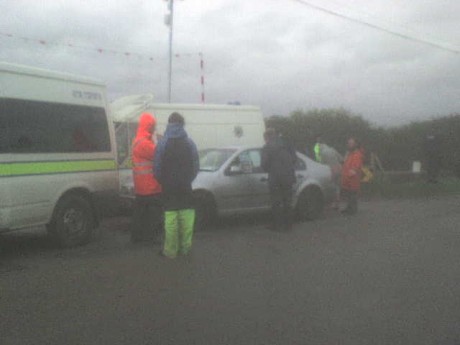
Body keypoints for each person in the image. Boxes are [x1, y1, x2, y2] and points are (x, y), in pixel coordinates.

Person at [153, 112, 199, 259]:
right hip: (186, 186)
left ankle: (171, 251)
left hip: (169, 187)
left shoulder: (162, 143)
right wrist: (188, 179)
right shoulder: (190, 143)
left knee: (171, 219)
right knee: (187, 218)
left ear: (169, 124)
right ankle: (186, 249)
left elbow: (157, 168)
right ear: (182, 124)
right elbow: (196, 166)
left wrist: (164, 181)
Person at [131, 112, 163, 243]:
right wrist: (160, 141)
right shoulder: (144, 143)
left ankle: (138, 237)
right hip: (150, 187)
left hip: (142, 187)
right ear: (148, 126)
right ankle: (150, 238)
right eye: (153, 126)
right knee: (153, 215)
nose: (154, 128)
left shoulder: (139, 140)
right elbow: (159, 154)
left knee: (141, 215)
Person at [261, 128, 297, 231]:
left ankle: (277, 225)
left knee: (276, 202)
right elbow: (294, 159)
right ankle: (288, 225)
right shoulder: (287, 145)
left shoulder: (267, 147)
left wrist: (270, 170)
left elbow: (264, 164)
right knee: (287, 201)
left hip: (275, 178)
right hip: (289, 176)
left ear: (266, 137)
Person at [341, 137, 364, 215]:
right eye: (348, 143)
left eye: (351, 143)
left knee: (352, 195)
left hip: (353, 179)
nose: (348, 145)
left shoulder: (357, 155)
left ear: (355, 144)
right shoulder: (349, 154)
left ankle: (352, 210)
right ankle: (349, 208)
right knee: (349, 195)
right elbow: (344, 163)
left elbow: (355, 168)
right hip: (347, 179)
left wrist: (348, 175)